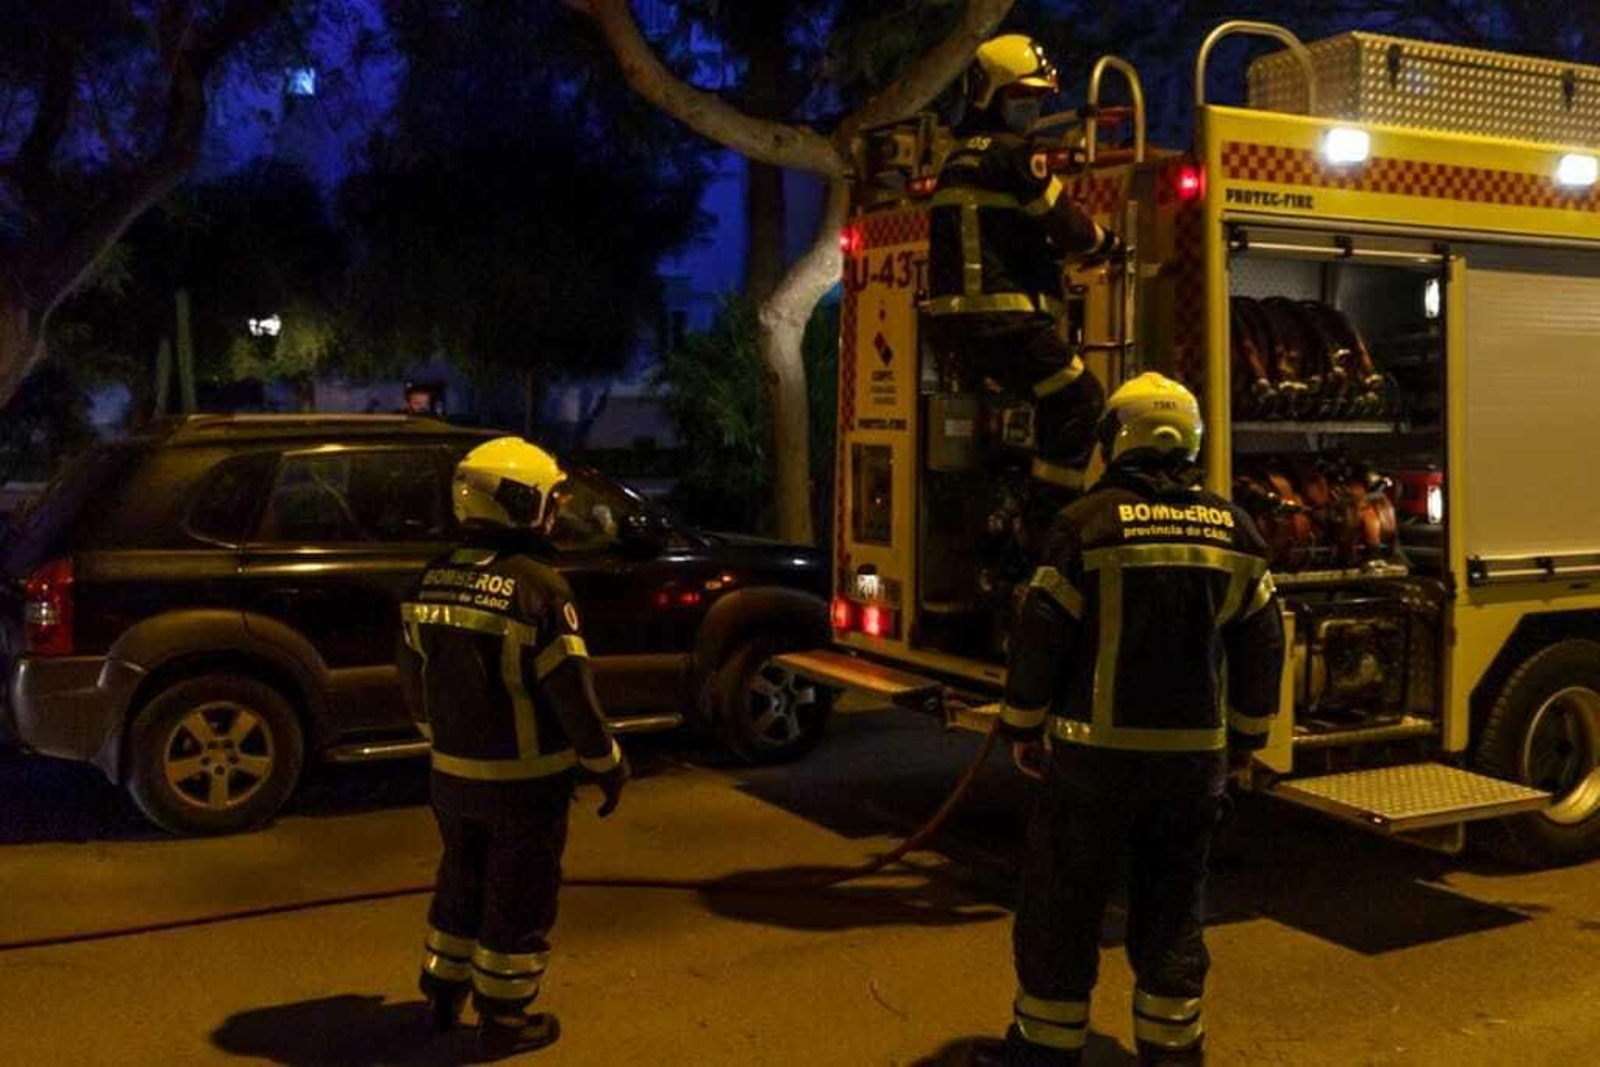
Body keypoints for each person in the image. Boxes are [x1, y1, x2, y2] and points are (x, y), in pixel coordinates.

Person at [987, 373, 1285, 1066]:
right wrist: (1245, 741)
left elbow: (1040, 633)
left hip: (1093, 766)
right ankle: (1172, 1050)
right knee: (1174, 914)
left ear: (1114, 438)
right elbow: (1264, 640)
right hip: (1192, 772)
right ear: (1191, 439)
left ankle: (1046, 1049)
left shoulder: (1085, 524)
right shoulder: (1233, 529)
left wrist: (1022, 726)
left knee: (1063, 909)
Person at [397, 437, 628, 1059]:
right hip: (526, 785)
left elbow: (412, 681)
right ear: (524, 504)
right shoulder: (539, 588)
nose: (555, 513)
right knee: (519, 895)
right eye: (550, 500)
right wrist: (607, 765)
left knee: (460, 881)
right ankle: (504, 1018)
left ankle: (442, 995)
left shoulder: (434, 576)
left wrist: (440, 744)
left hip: (449, 778)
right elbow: (572, 695)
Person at [923, 33, 1123, 520]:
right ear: (988, 93)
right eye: (1021, 96)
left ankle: (1005, 513)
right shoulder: (1016, 154)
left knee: (1027, 415)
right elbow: (1066, 224)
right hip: (1005, 322)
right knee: (1081, 400)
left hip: (960, 329)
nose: (1031, 108)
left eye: (1036, 97)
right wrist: (1111, 244)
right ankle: (1052, 522)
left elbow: (1009, 233)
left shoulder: (958, 157)